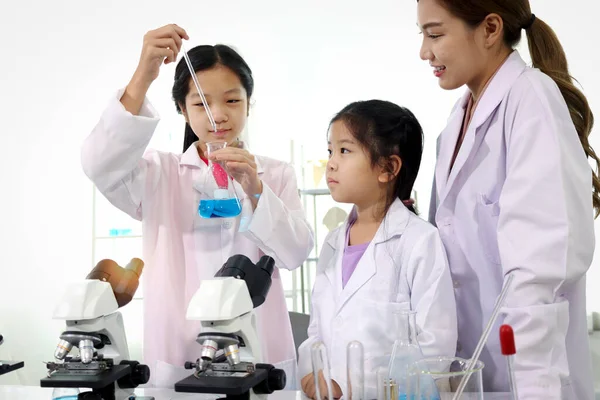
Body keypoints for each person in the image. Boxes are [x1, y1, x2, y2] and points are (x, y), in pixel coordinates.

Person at [80, 24, 314, 388]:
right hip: (179, 349)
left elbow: (296, 252)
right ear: (182, 109)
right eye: (201, 102)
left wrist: (255, 188)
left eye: (232, 100)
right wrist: (144, 73)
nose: (218, 114)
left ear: (249, 103)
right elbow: (100, 164)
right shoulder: (161, 173)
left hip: (258, 347)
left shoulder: (276, 174)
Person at [417, 0, 599, 397]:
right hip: (474, 367)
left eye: (435, 34)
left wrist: (533, 385)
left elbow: (541, 267)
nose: (424, 52)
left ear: (490, 28)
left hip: (528, 373)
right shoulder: (456, 120)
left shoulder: (531, 99)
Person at [297, 100, 457, 399]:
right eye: (330, 150)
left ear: (388, 168)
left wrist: (366, 388)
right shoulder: (333, 242)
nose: (331, 162)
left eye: (345, 151)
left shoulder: (419, 241)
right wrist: (311, 373)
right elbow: (317, 332)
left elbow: (436, 345)